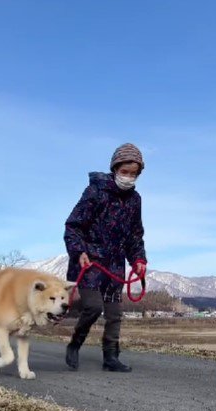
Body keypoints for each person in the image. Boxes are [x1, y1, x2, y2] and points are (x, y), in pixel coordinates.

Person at [63, 143, 147, 372]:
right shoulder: (95, 191)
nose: (128, 177)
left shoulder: (135, 200)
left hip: (116, 265)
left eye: (133, 173)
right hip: (90, 262)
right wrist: (79, 251)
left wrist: (139, 260)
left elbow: (134, 235)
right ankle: (75, 344)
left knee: (115, 314)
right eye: (124, 172)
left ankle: (111, 357)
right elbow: (74, 226)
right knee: (92, 306)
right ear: (115, 168)